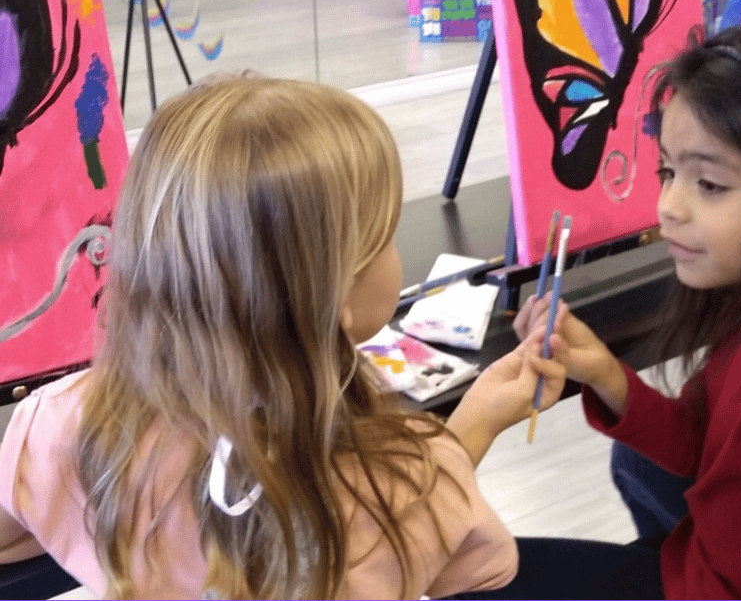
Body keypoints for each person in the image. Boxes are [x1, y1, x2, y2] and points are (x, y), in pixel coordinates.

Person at [0, 73, 567, 599]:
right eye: (386, 236)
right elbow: (470, 568)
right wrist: (473, 427)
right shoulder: (414, 476)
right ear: (334, 297)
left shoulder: (57, 425)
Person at [509, 23, 741, 599]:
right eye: (668, 173)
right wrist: (601, 370)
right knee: (636, 460)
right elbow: (696, 442)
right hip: (705, 558)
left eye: (710, 185)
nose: (667, 207)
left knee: (481, 576)